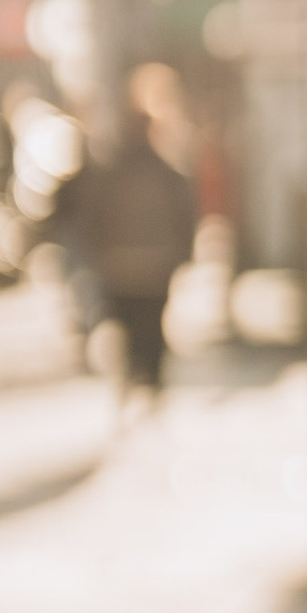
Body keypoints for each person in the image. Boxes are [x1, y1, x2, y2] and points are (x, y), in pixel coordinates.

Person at [64, 68, 198, 397]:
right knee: (150, 329)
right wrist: (181, 255)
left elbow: (89, 216)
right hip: (151, 266)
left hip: (121, 267)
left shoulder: (112, 172)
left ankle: (136, 384)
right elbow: (185, 215)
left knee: (129, 329)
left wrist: (96, 255)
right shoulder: (163, 173)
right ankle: (147, 385)